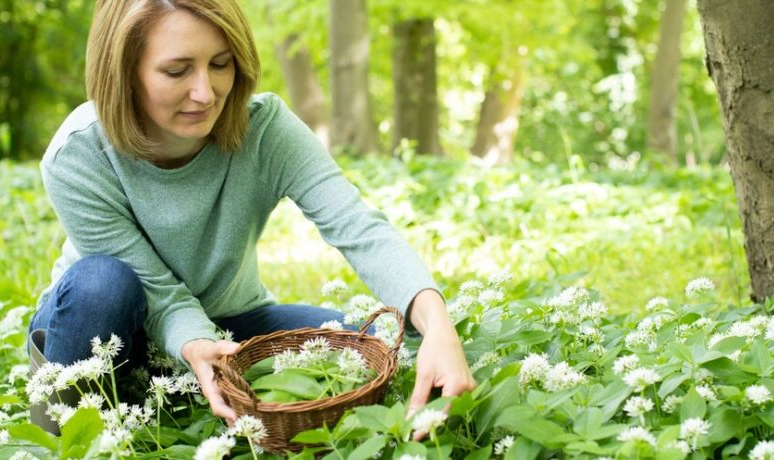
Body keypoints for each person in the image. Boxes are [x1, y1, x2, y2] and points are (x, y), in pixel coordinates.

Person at [27, 0, 474, 435]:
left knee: (382, 339)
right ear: (124, 73)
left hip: (229, 321)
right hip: (107, 322)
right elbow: (158, 294)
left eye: (220, 64)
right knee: (102, 283)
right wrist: (196, 344)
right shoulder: (79, 153)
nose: (205, 93)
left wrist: (437, 323)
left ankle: (182, 394)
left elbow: (358, 226)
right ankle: (68, 421)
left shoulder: (266, 130)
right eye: (177, 71)